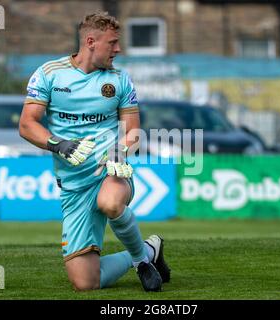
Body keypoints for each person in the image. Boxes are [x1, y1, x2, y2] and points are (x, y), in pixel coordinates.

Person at [19, 11, 170, 292]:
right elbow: (27, 124)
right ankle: (149, 250)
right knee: (86, 283)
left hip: (111, 174)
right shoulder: (49, 74)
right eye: (112, 43)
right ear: (91, 41)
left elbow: (133, 132)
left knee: (110, 202)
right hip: (74, 187)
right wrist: (59, 144)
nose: (118, 49)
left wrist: (119, 151)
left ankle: (142, 264)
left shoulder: (120, 80)